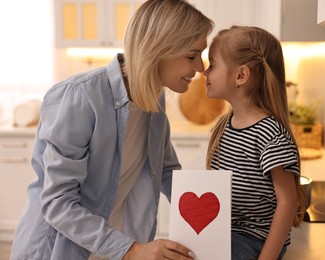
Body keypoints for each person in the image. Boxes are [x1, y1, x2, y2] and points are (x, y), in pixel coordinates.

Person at [10, 1, 213, 259]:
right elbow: (57, 203)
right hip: (58, 251)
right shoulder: (80, 97)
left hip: (112, 248)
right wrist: (131, 250)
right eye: (191, 56)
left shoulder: (155, 98)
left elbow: (166, 171)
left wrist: (214, 218)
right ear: (159, 49)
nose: (200, 68)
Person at [204, 26, 306, 260]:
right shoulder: (224, 124)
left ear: (241, 75)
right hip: (226, 233)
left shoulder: (270, 135)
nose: (205, 72)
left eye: (212, 64)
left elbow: (287, 203)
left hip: (255, 239)